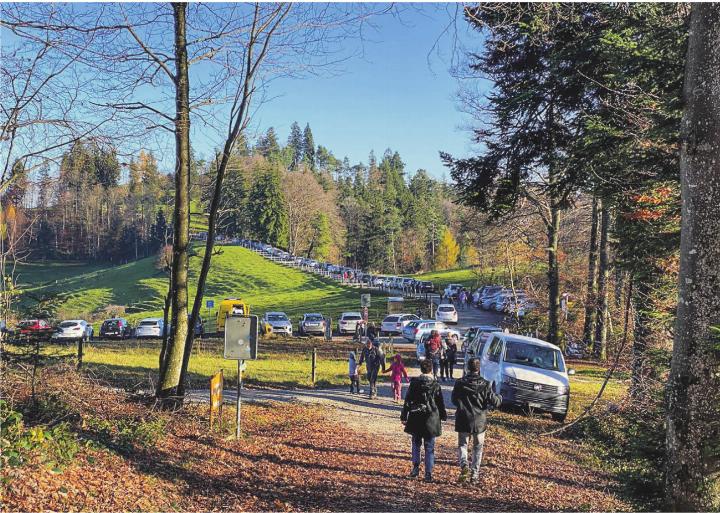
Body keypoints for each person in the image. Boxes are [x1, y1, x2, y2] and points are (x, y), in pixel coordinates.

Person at [451, 357, 502, 484]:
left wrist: (462, 404)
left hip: (463, 418)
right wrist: (499, 397)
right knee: (477, 448)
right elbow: (494, 402)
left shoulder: (460, 383)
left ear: (468, 368)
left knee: (463, 445)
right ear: (479, 369)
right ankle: (474, 474)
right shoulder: (485, 384)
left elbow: (453, 400)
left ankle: (464, 464)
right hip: (479, 422)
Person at [401, 358, 447, 482]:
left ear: (421, 369)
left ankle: (415, 468)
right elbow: (440, 402)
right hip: (431, 419)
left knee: (416, 443)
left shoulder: (415, 383)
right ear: (431, 370)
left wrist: (404, 416)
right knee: (429, 447)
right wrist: (443, 415)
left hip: (416, 417)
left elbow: (408, 400)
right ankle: (428, 473)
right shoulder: (436, 385)